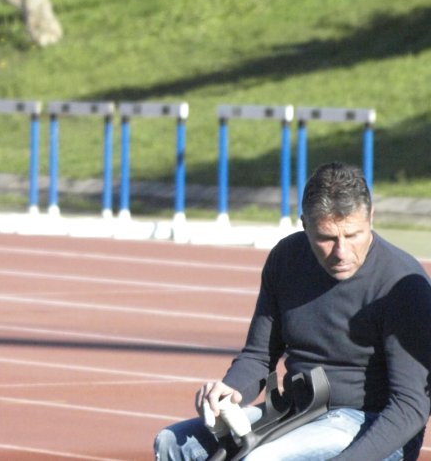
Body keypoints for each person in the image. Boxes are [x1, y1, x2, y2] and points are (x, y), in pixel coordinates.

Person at [154, 162, 431, 461]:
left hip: (370, 424)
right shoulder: (286, 259)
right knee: (172, 443)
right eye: (326, 238)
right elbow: (259, 356)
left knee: (261, 459)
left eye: (352, 236)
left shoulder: (402, 286)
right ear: (304, 224)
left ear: (371, 218)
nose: (341, 252)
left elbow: (411, 407)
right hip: (296, 413)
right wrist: (230, 392)